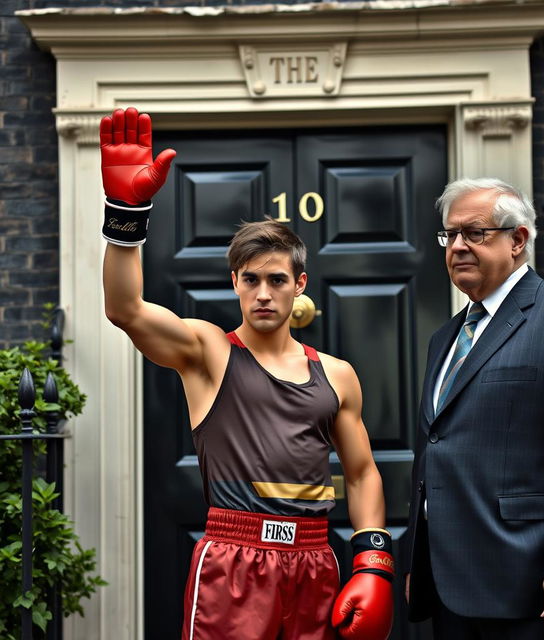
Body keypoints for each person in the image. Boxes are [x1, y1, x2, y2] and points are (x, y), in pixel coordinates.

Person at [100, 107, 394, 640]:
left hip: (315, 558)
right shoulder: (209, 352)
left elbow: (361, 473)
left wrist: (373, 560)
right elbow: (126, 308)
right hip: (234, 558)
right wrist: (126, 212)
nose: (264, 293)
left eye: (277, 280)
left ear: (300, 283)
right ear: (234, 281)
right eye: (251, 279)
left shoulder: (337, 374)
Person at [405, 177, 544, 640]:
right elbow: (436, 450)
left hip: (532, 588)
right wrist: (418, 562)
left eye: (475, 233)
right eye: (450, 235)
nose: (458, 246)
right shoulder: (443, 339)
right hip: (449, 587)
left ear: (518, 239)